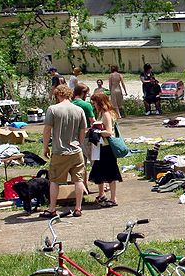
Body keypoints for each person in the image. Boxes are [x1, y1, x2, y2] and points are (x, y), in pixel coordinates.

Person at [41, 84, 87, 218]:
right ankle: (78, 208)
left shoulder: (53, 109)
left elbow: (47, 130)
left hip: (60, 151)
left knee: (54, 180)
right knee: (78, 180)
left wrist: (45, 147)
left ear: (58, 95)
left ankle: (52, 208)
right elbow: (83, 129)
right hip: (76, 151)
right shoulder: (79, 110)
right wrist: (80, 143)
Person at [89, 92, 123, 207]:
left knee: (111, 173)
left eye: (94, 103)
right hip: (101, 147)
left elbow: (109, 132)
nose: (94, 106)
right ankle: (101, 194)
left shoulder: (106, 114)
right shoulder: (102, 113)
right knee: (99, 172)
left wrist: (96, 132)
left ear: (100, 103)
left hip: (107, 148)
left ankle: (113, 198)